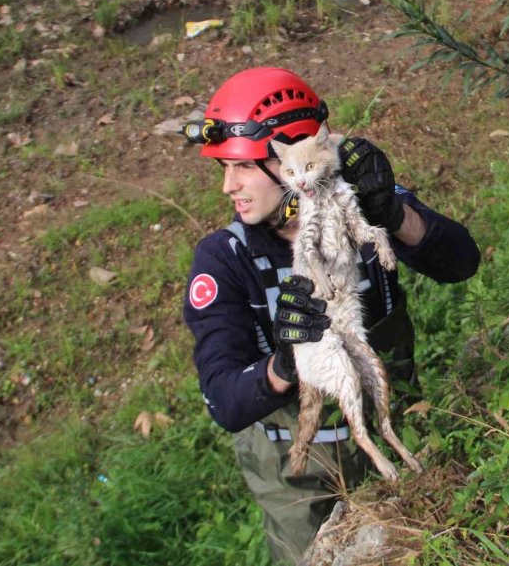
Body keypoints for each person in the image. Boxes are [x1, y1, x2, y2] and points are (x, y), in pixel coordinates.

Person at [181, 67, 479, 564]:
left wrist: (392, 213)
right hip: (299, 477)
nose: (228, 187)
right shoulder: (225, 259)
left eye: (241, 167)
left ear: (292, 156)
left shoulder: (360, 207)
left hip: (398, 428)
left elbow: (461, 262)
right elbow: (223, 401)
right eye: (223, 169)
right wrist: (284, 362)